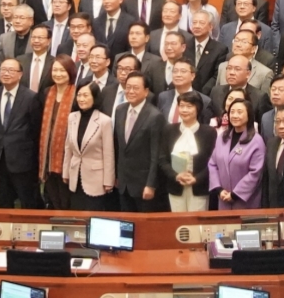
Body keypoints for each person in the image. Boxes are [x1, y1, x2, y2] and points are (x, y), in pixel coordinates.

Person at [0, 57, 42, 209]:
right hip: (0, 158)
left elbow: (35, 130)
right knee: (4, 201)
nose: (6, 73)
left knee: (28, 201)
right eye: (3, 70)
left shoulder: (30, 97)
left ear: (20, 75)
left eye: (11, 70)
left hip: (23, 160)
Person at [114, 72, 165, 211]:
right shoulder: (120, 110)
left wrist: (151, 184)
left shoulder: (155, 116)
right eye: (128, 87)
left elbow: (156, 154)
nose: (130, 91)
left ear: (146, 91)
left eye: (135, 88)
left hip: (143, 185)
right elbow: (118, 147)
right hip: (123, 183)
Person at [64, 82, 115, 210]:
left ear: (95, 97)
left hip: (96, 179)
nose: (81, 99)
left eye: (86, 95)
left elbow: (108, 153)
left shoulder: (104, 121)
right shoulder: (72, 117)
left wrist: (108, 181)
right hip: (75, 176)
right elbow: (68, 147)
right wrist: (65, 172)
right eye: (79, 95)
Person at [209, 98, 265, 210]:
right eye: (232, 112)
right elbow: (212, 164)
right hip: (223, 198)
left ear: (249, 115)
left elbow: (255, 173)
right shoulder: (222, 137)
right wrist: (219, 190)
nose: (235, 115)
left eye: (239, 112)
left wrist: (234, 194)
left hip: (246, 201)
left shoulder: (256, 141)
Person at [162, 90, 214, 211]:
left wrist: (197, 178)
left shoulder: (209, 132)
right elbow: (162, 159)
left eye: (189, 106)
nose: (184, 110)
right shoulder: (169, 130)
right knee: (178, 224)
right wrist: (176, 176)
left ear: (198, 108)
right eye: (181, 106)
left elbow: (213, 161)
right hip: (175, 185)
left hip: (199, 187)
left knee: (196, 225)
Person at [39, 56, 77, 209]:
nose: (58, 74)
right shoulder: (46, 92)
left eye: (62, 70)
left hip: (68, 155)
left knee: (66, 199)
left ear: (70, 72)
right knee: (53, 197)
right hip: (47, 155)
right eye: (55, 70)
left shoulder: (77, 93)